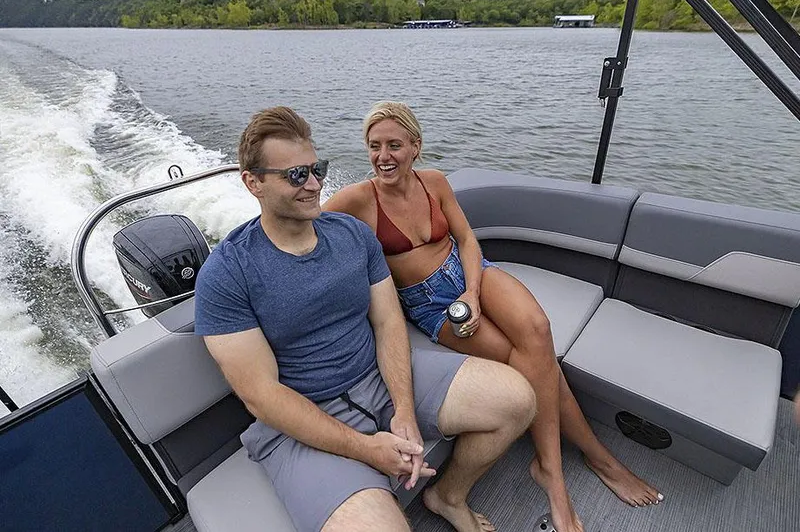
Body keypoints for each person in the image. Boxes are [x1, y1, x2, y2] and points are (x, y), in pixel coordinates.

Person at [324, 101, 665, 532]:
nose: (383, 156)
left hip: (469, 275)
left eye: (394, 144)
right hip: (429, 302)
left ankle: (559, 468)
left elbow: (466, 239)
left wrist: (473, 290)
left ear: (415, 146)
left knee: (538, 332)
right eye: (374, 146)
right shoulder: (358, 198)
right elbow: (309, 225)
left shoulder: (435, 183)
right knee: (523, 361)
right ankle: (578, 468)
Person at [194, 106, 538, 532]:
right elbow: (261, 395)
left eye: (315, 169)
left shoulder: (352, 235)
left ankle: (448, 495)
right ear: (254, 182)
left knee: (517, 400)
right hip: (305, 415)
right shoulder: (227, 274)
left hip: (380, 376)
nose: (315, 185)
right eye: (296, 176)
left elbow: (389, 323)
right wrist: (366, 449)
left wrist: (405, 409)